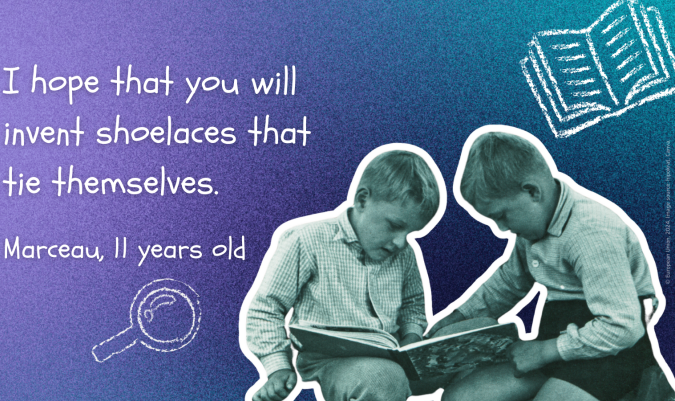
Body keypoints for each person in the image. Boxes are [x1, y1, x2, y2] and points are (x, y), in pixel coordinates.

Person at [428, 129, 662, 401]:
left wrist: (542, 352)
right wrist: (456, 317)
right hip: (557, 340)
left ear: (532, 191)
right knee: (461, 398)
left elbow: (623, 328)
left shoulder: (591, 232)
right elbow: (508, 283)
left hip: (615, 351)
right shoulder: (532, 226)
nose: (501, 229)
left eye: (502, 215)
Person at [243, 147, 444, 401]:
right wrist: (278, 367)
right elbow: (266, 308)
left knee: (479, 348)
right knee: (384, 379)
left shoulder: (404, 254)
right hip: (333, 359)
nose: (400, 242)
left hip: (395, 351)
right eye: (394, 226)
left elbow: (413, 303)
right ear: (362, 200)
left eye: (411, 233)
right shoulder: (307, 240)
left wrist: (412, 340)